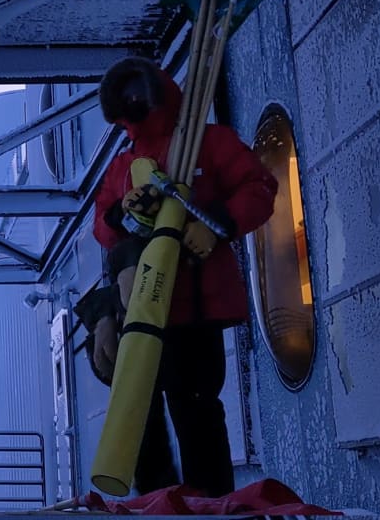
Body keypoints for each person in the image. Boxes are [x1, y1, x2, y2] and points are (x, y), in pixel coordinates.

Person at [88, 56, 278, 497]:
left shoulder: (206, 143)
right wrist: (121, 212)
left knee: (197, 410)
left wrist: (216, 224)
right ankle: (156, 501)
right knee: (142, 413)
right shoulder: (123, 165)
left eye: (138, 91)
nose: (133, 101)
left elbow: (259, 188)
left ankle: (209, 502)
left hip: (195, 306)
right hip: (141, 310)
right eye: (124, 96)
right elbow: (102, 225)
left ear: (156, 90)